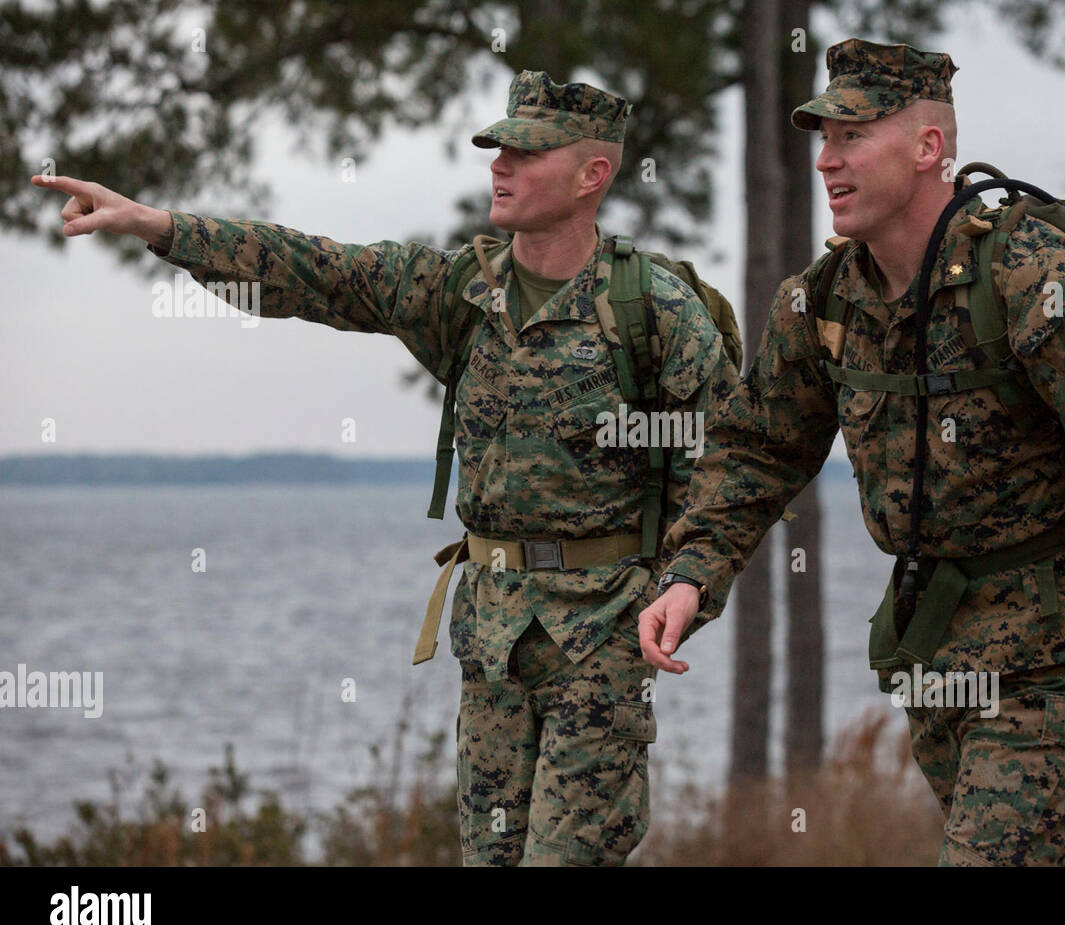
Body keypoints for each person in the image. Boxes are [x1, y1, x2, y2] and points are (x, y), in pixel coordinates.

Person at [33, 70, 735, 867]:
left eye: (526, 153)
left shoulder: (655, 311)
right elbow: (313, 270)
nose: (500, 166)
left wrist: (685, 588)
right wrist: (158, 226)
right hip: (493, 638)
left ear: (592, 176)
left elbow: (728, 476)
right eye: (496, 149)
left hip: (603, 645)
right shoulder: (461, 290)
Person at [638, 39, 1065, 866]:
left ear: (927, 147)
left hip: (1055, 640)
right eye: (822, 140)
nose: (826, 162)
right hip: (930, 642)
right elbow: (757, 450)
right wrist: (691, 575)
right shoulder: (820, 301)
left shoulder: (1032, 280)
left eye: (851, 137)